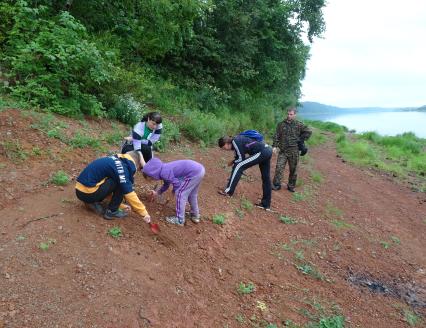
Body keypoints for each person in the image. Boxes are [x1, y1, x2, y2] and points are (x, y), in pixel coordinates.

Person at [75, 151, 152, 225]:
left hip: (80, 191)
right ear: (136, 164)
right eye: (139, 169)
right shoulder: (122, 169)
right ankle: (112, 211)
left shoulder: (114, 160)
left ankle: (91, 202)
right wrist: (144, 213)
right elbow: (129, 193)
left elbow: (108, 187)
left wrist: (121, 205)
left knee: (117, 180)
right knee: (122, 184)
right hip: (89, 193)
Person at [142, 158, 205, 226]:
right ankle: (195, 215)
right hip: (199, 170)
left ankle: (180, 220)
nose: (153, 180)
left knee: (181, 193)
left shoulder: (164, 173)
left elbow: (177, 184)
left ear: (153, 173)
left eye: (151, 178)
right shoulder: (164, 169)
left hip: (193, 173)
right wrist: (157, 193)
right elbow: (166, 184)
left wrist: (173, 192)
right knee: (192, 194)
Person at [217, 133, 272, 211]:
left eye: (223, 147)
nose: (224, 150)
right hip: (267, 150)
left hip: (262, 152)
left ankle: (228, 192)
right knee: (266, 178)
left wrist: (234, 162)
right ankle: (266, 204)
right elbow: (238, 157)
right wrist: (233, 161)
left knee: (239, 166)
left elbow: (240, 160)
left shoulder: (235, 142)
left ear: (226, 143)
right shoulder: (236, 141)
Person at [272, 107, 312, 192]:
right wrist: (274, 146)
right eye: (288, 114)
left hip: (294, 151)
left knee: (293, 170)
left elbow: (308, 131)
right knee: (279, 167)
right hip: (283, 151)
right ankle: (276, 184)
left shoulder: (299, 124)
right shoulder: (281, 124)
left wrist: (301, 140)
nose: (289, 116)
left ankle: (291, 186)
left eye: (291, 114)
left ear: (295, 115)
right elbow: (276, 135)